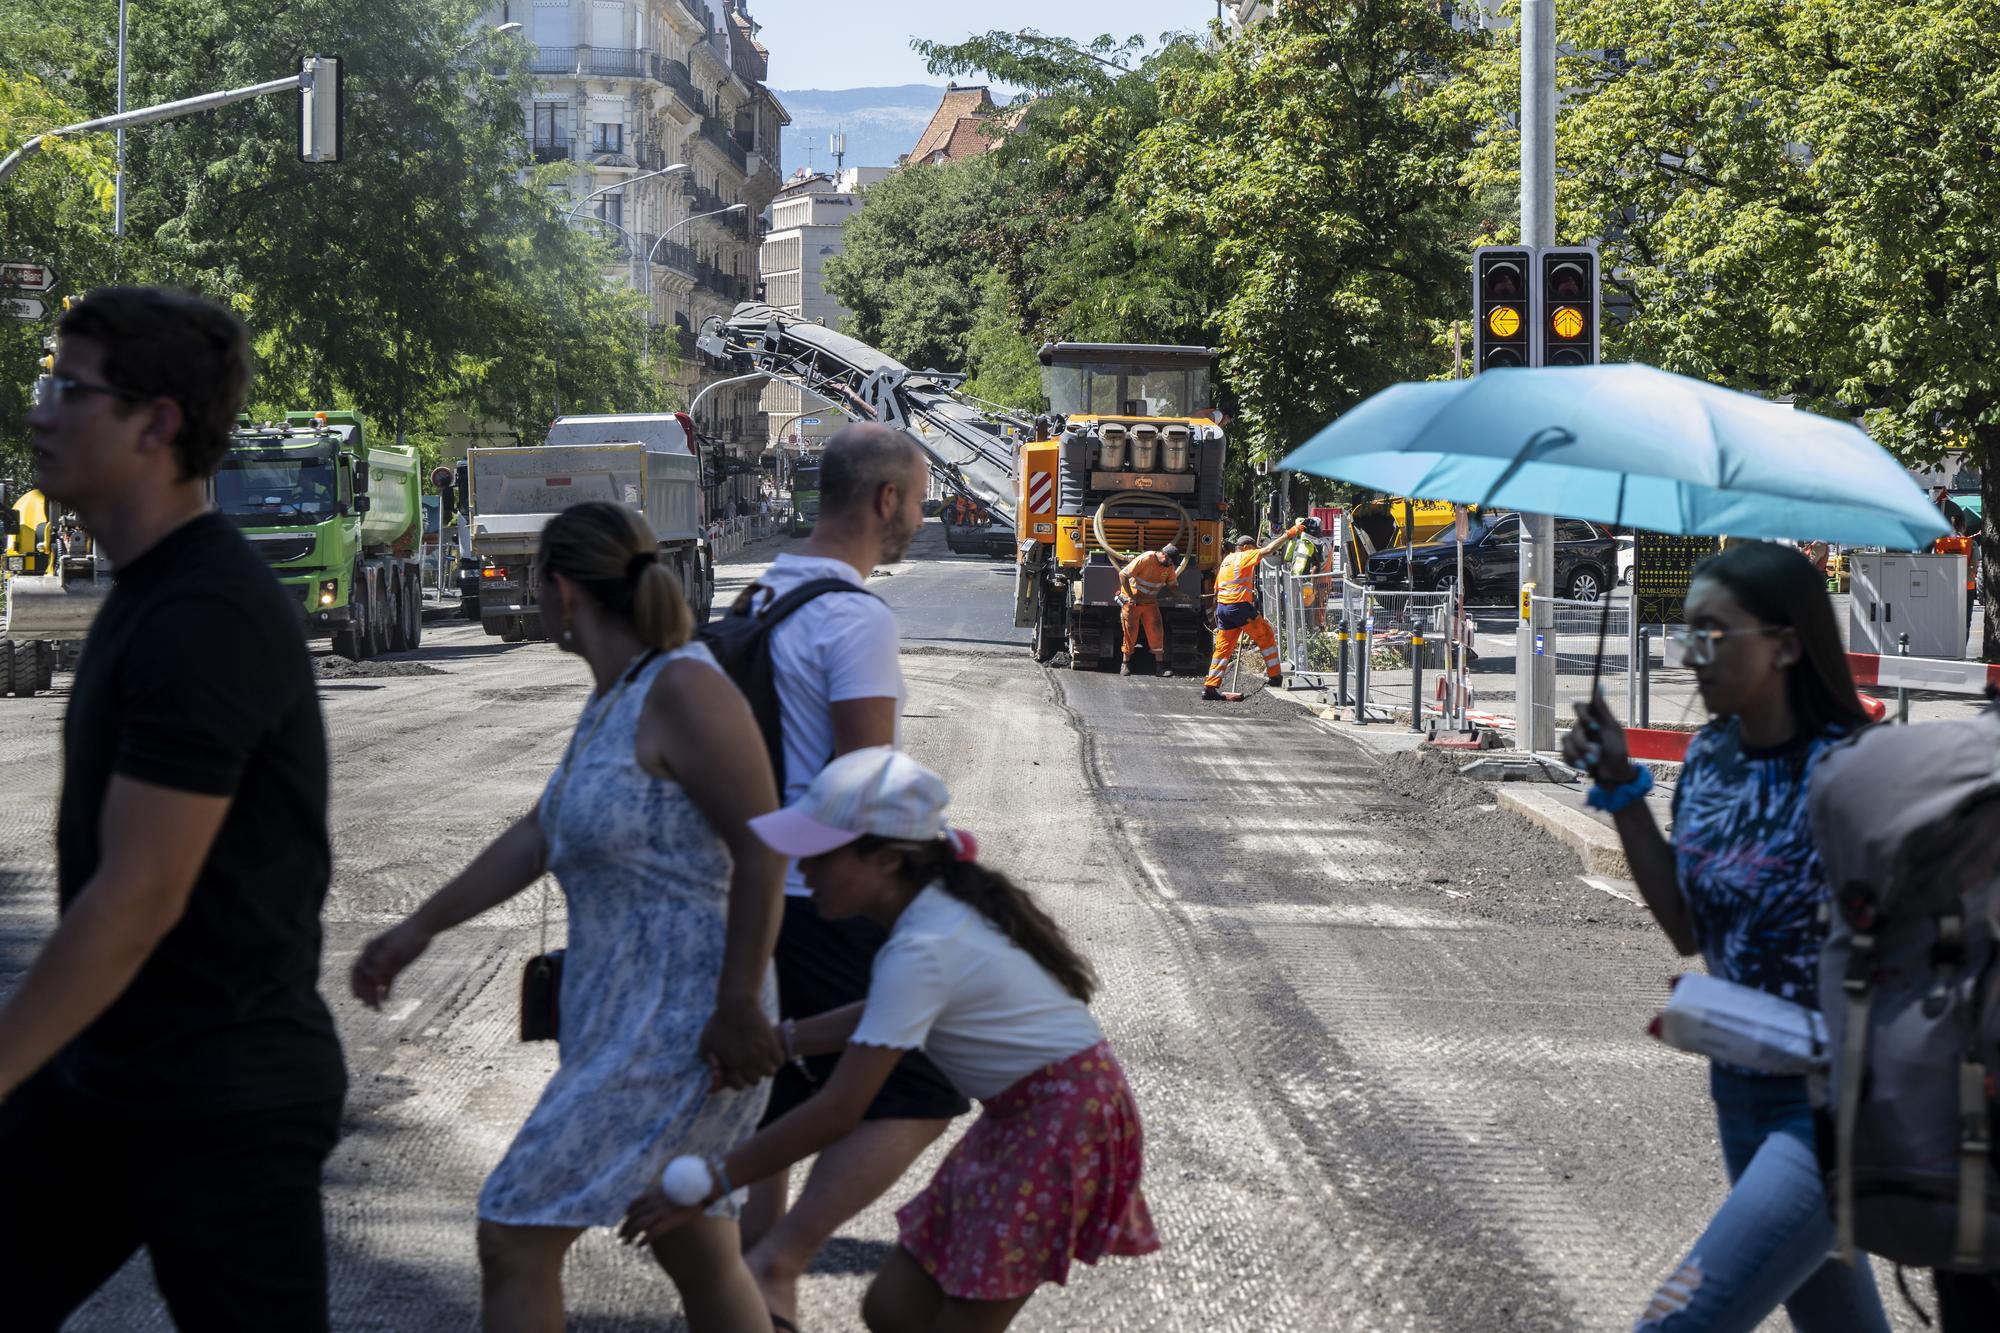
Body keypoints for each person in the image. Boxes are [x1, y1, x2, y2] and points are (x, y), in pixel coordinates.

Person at [351, 500, 787, 1333]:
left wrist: (736, 1002)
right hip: (629, 1014)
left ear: (559, 589)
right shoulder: (616, 696)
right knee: (694, 1238)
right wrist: (418, 928)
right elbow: (542, 832)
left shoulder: (685, 685)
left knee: (513, 1229)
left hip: (686, 1023)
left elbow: (765, 844)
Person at [0, 287, 347, 1330]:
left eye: (70, 388)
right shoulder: (146, 591)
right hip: (113, 1075)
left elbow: (135, 901)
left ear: (156, 423)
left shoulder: (204, 612)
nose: (41, 411)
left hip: (226, 1095)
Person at [622, 747, 1159, 1333]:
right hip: (1029, 1115)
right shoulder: (933, 911)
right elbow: (882, 1012)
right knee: (891, 1310)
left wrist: (710, 1182)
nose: (802, 872)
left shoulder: (921, 947)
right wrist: (786, 1040)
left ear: (885, 860)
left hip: (1061, 1124)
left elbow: (837, 1111)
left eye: (820, 856)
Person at [1561, 541, 1890, 1333]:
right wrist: (1620, 788)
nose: (1691, 654)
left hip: (1833, 1111)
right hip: (1739, 1091)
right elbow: (1686, 928)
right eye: (1685, 634)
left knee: (1676, 1322)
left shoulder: (1855, 771)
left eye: (1713, 633)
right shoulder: (1711, 759)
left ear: (1785, 642)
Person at [733, 424, 970, 1331]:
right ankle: (779, 1254)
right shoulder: (856, 616)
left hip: (756, 888)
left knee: (775, 1078)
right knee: (927, 1076)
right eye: (916, 497)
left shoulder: (764, 590)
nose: (920, 513)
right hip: (827, 896)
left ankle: (763, 1289)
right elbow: (865, 785)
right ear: (885, 501)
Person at [1203, 522, 1304, 701]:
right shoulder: (1245, 556)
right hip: (1239, 607)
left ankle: (1210, 687)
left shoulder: (1226, 560)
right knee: (1265, 634)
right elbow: (1269, 549)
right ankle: (1274, 675)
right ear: (1247, 547)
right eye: (1253, 548)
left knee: (1222, 650)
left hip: (1223, 608)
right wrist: (1290, 533)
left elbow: (1218, 587)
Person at [1117, 541, 1180, 677]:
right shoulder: (1145, 559)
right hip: (1132, 602)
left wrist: (1181, 595)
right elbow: (1123, 575)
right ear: (1163, 554)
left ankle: (1160, 667)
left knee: (1156, 630)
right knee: (1130, 631)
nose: (1170, 564)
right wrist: (1130, 596)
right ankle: (1125, 664)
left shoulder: (1168, 565)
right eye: (1169, 561)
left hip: (1150, 602)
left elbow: (1172, 584)